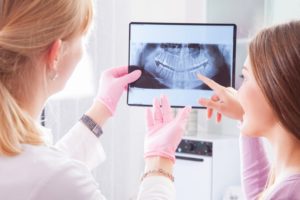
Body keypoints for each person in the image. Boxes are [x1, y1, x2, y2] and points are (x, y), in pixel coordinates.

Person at [0, 0, 191, 199]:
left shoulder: (30, 166)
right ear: (55, 54)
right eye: (82, 38)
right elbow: (51, 178)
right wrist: (159, 160)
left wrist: (101, 109)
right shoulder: (60, 179)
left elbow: (40, 173)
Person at [198, 20, 300, 199]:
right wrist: (245, 117)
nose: (239, 91)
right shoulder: (290, 184)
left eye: (244, 77)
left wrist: (158, 164)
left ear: (276, 89)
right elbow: (260, 196)